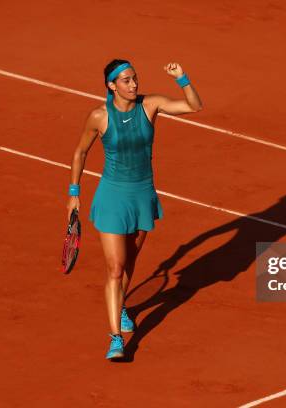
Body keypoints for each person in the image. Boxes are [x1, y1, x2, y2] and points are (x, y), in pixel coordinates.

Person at [67, 59, 202, 359]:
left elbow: (194, 106)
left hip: (142, 195)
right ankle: (116, 337)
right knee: (115, 268)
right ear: (112, 86)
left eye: (135, 79)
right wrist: (73, 193)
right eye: (126, 81)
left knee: (129, 264)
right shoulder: (99, 116)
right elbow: (80, 151)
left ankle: (122, 304)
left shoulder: (150, 106)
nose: (133, 84)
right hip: (112, 198)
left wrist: (182, 78)